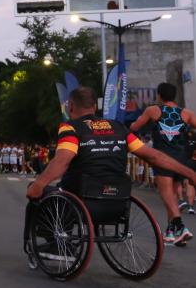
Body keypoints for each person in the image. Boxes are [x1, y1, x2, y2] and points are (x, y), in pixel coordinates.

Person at [27, 86, 196, 246]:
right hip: (117, 199)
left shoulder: (71, 128)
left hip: (83, 197)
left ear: (70, 106)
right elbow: (154, 156)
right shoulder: (119, 128)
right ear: (94, 106)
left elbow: (62, 161)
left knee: (43, 192)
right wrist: (190, 173)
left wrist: (39, 184)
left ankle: (57, 245)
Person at [129, 82, 196, 244]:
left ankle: (180, 227)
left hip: (163, 158)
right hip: (181, 159)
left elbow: (135, 126)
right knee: (172, 196)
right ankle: (171, 232)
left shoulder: (153, 110)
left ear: (159, 95)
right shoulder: (187, 113)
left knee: (166, 194)